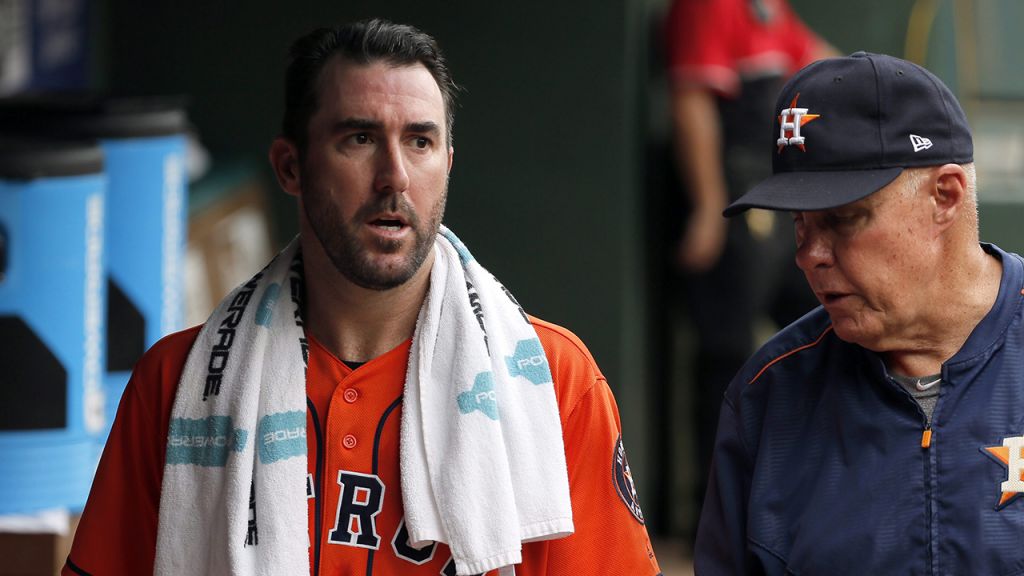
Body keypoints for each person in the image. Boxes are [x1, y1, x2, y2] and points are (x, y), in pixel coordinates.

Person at [62, 19, 662, 576]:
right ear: (291, 166)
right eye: (359, 137)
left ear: (448, 164)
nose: (394, 175)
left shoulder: (554, 382)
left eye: (421, 142)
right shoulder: (176, 384)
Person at [695, 51, 1024, 574]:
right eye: (799, 223)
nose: (809, 254)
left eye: (843, 219)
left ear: (945, 196)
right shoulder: (768, 395)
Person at [662, 0, 833, 521]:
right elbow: (690, 102)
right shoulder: (708, 6)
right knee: (726, 357)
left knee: (829, 327)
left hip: (779, 199)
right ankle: (714, 516)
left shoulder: (771, 9)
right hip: (737, 202)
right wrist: (710, 208)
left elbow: (826, 64)